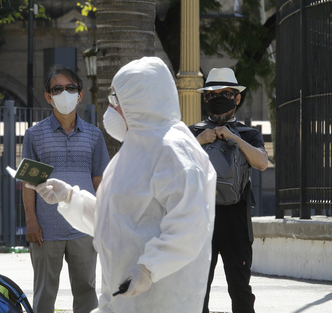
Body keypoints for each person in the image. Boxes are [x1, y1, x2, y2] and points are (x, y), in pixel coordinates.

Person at [27, 56, 217, 312]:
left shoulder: (174, 150)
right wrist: (71, 198)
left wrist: (149, 268)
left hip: (159, 299)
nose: (110, 107)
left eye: (116, 99)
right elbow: (113, 220)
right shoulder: (133, 150)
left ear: (139, 100)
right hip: (124, 298)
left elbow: (191, 224)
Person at [22, 65, 110, 313]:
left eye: (70, 88)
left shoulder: (94, 135)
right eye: (57, 89)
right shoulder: (34, 135)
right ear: (48, 96)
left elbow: (99, 182)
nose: (65, 93)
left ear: (80, 94)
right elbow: (28, 183)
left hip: (84, 227)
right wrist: (31, 221)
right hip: (46, 229)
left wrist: (102, 220)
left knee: (87, 293)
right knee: (44, 294)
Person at [188, 67, 268, 313]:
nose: (219, 98)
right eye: (213, 94)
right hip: (199, 219)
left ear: (237, 98)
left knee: (240, 287)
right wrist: (199, 141)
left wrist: (236, 140)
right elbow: (170, 164)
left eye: (226, 93)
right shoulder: (191, 132)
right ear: (205, 98)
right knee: (197, 289)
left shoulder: (249, 134)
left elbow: (262, 163)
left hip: (236, 219)